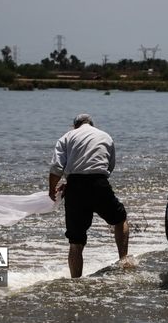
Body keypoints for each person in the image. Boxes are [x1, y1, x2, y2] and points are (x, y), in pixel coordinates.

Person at [48, 114, 129, 278]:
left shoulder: (67, 136)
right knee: (120, 219)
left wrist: (53, 189)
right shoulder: (105, 136)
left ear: (75, 125)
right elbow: (109, 166)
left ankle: (76, 280)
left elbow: (57, 166)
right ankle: (124, 260)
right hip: (99, 183)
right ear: (92, 124)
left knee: (76, 240)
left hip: (75, 188)